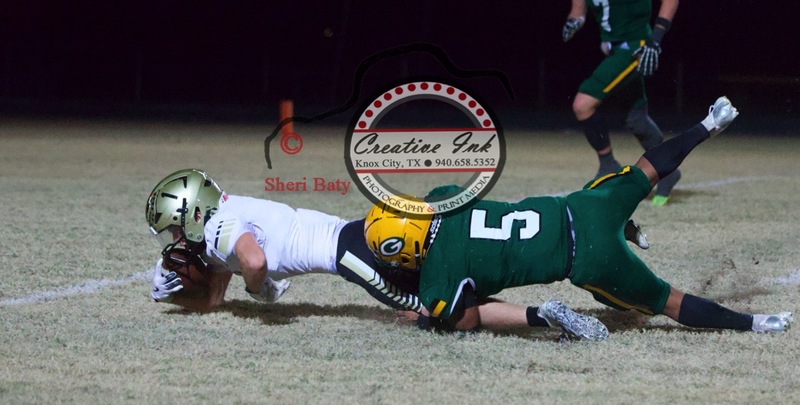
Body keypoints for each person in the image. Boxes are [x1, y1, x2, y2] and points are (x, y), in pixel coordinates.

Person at [365, 96, 793, 335]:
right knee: (646, 169)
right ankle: (707, 123)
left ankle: (755, 323)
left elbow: (469, 319)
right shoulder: (444, 196)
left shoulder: (439, 273)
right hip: (582, 206)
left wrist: (428, 315)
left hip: (588, 257)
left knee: (667, 302)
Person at [145, 169, 608, 340]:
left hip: (349, 254)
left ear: (190, 213)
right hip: (353, 235)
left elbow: (254, 261)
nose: (173, 238)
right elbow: (222, 280)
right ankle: (541, 308)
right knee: (447, 279)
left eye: (171, 226)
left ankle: (543, 317)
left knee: (439, 313)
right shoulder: (228, 211)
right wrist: (202, 297)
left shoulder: (222, 228)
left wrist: (261, 289)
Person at [561, 0, 681, 205]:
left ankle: (607, 164)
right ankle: (668, 171)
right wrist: (573, 23)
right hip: (611, 47)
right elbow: (579, 9)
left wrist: (655, 39)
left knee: (582, 104)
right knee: (637, 119)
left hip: (635, 46)